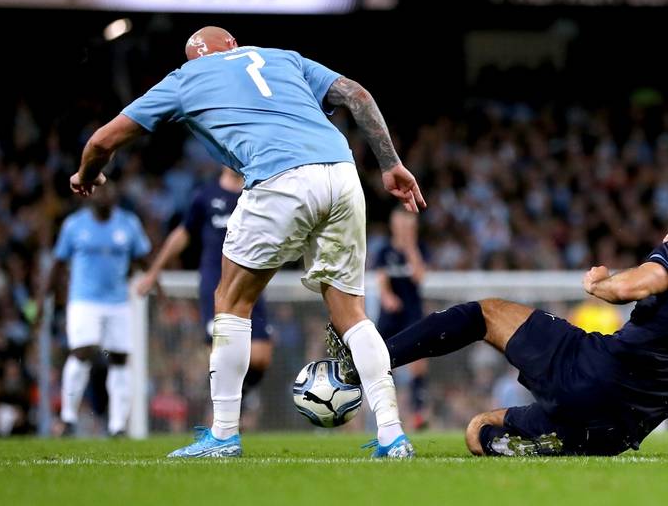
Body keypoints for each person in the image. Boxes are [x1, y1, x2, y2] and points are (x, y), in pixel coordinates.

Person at [69, 26, 426, 458]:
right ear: (235, 45)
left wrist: (87, 175)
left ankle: (222, 436)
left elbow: (103, 140)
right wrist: (390, 164)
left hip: (278, 177)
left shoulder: (186, 78)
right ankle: (392, 434)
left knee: (231, 302)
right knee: (351, 312)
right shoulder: (283, 57)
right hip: (342, 172)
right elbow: (358, 95)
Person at [362, 193, 668, 456]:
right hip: (618, 432)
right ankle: (531, 438)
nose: (667, 236)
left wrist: (603, 285)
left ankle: (362, 366)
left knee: (484, 313)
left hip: (592, 374)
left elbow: (640, 283)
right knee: (480, 430)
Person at [136, 167, 274, 412]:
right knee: (223, 355)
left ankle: (235, 402)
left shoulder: (255, 193)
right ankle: (221, 416)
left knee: (261, 356)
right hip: (216, 284)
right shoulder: (206, 195)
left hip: (251, 281)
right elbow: (183, 233)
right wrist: (154, 270)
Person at [40, 184, 151, 437]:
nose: (105, 195)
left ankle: (117, 425)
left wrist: (158, 285)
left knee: (121, 358)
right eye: (99, 191)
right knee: (83, 350)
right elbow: (58, 264)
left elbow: (144, 258)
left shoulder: (129, 224)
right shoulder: (74, 225)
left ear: (115, 196)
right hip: (84, 300)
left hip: (119, 302)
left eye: (108, 190)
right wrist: (42, 302)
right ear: (90, 196)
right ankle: (68, 417)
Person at [374, 208, 429, 429]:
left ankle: (419, 413)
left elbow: (419, 276)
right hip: (390, 316)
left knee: (418, 364)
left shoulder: (418, 249)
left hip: (412, 314)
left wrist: (410, 247)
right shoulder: (385, 251)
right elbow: (381, 279)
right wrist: (387, 296)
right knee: (384, 363)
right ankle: (389, 414)